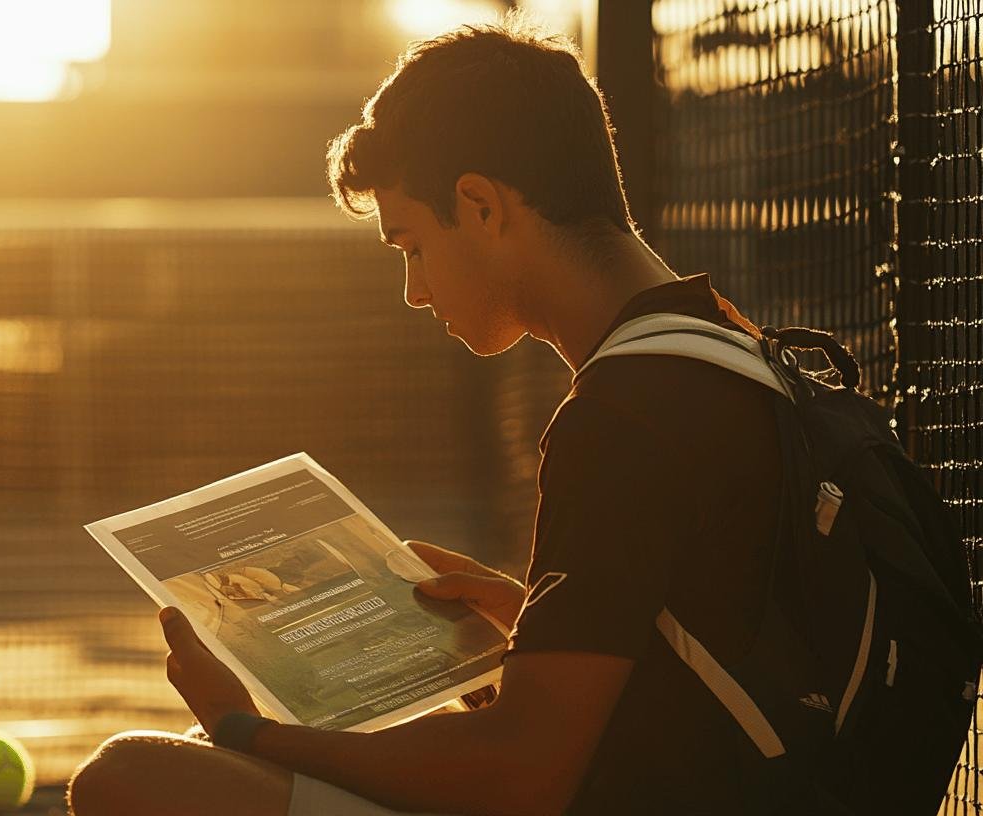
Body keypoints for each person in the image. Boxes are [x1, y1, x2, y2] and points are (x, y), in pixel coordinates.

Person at [68, 17, 784, 816]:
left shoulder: (620, 416)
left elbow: (519, 783)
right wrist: (537, 625)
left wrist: (246, 727)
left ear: (480, 206)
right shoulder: (739, 351)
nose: (414, 291)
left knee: (132, 777)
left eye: (411, 245)